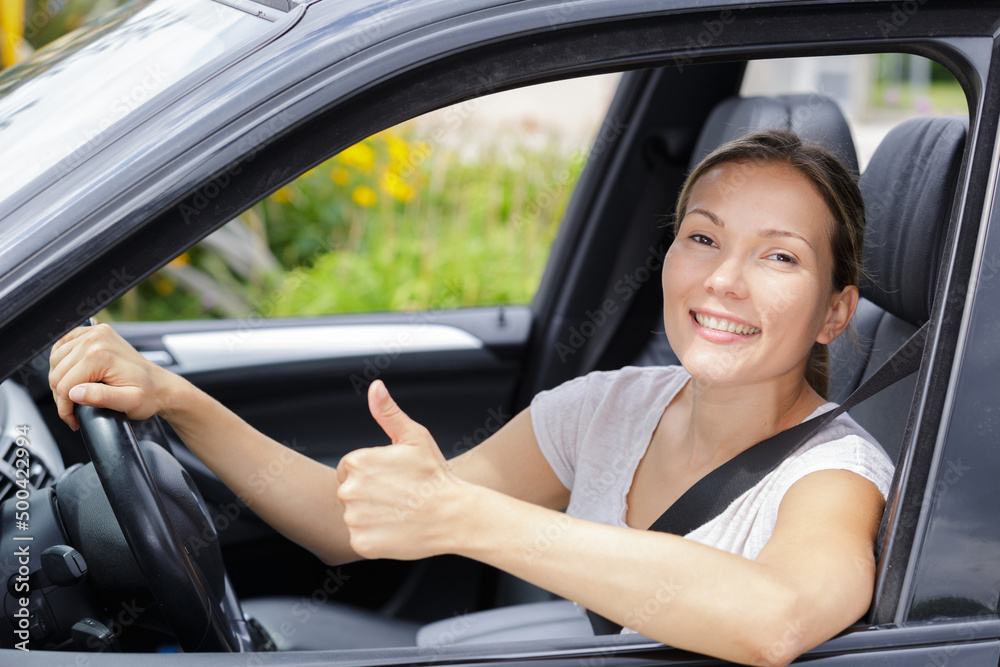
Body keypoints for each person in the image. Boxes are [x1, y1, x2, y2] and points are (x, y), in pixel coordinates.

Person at [48, 128, 892, 667]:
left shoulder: (836, 472)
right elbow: (347, 526)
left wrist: (466, 516)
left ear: (834, 311)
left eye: (778, 257)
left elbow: (775, 618)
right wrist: (175, 398)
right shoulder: (609, 407)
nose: (722, 279)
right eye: (702, 237)